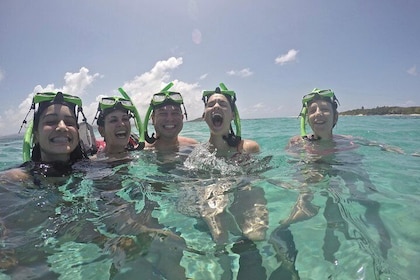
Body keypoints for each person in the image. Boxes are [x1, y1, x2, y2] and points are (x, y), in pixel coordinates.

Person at [2, 92, 89, 182]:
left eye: (69, 122)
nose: (62, 127)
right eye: (51, 121)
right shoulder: (15, 177)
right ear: (36, 135)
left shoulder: (96, 167)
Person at [143, 82, 198, 152]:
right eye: (163, 113)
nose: (170, 119)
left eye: (175, 113)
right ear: (153, 119)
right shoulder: (142, 150)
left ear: (182, 117)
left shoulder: (193, 146)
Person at [92, 92, 144, 161]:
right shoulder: (94, 163)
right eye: (113, 120)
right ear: (102, 131)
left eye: (125, 119)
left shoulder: (142, 151)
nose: (121, 124)